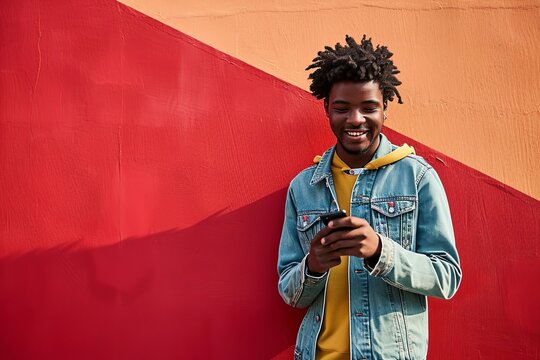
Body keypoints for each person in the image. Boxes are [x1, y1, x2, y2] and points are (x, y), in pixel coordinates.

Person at [277, 35, 462, 360]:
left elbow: (446, 278)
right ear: (327, 110)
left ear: (385, 109)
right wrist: (314, 266)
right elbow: (289, 292)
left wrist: (380, 251)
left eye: (369, 108)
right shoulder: (303, 187)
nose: (355, 119)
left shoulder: (417, 178)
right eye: (342, 108)